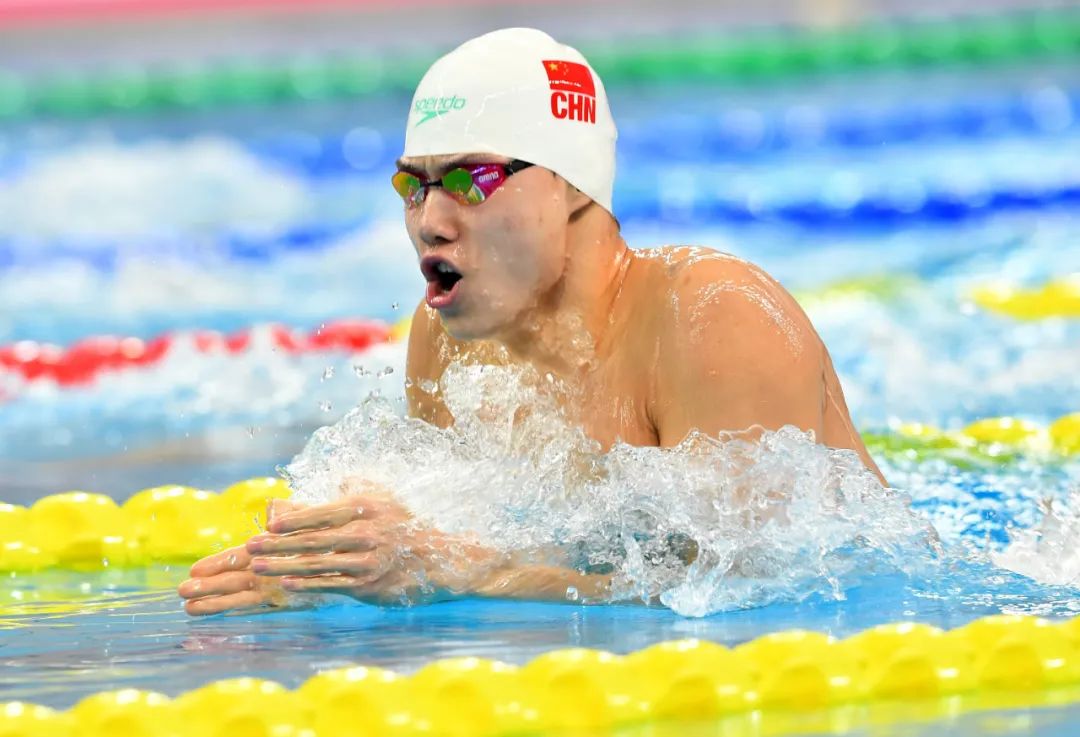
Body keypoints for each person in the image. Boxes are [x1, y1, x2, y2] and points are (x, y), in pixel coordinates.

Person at [179, 27, 886, 616]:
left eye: (471, 180)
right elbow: (454, 548)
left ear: (571, 183)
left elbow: (758, 588)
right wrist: (331, 566)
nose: (430, 220)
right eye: (414, 185)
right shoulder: (451, 342)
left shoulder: (712, 317)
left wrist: (473, 571)